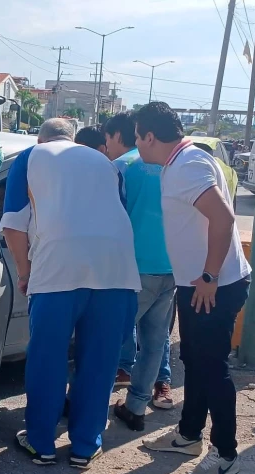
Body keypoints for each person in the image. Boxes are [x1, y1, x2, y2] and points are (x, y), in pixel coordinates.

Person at [0, 118, 140, 469]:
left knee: (47, 357)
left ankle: (41, 443)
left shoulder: (31, 157)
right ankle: (84, 446)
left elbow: (14, 224)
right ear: (73, 139)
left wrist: (25, 273)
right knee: (101, 360)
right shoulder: (106, 164)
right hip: (116, 268)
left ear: (41, 138)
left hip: (58, 268)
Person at [133, 102, 251, 474]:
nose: (137, 143)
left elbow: (223, 217)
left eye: (138, 136)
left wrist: (209, 276)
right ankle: (188, 435)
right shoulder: (184, 160)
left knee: (212, 368)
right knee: (194, 359)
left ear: (150, 137)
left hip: (212, 286)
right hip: (197, 284)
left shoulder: (187, 166)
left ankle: (226, 453)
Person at [102, 112, 177, 429]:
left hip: (132, 270)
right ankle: (135, 408)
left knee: (106, 339)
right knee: (154, 343)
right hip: (171, 269)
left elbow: (105, 221)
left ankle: (89, 401)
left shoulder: (122, 167)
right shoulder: (175, 166)